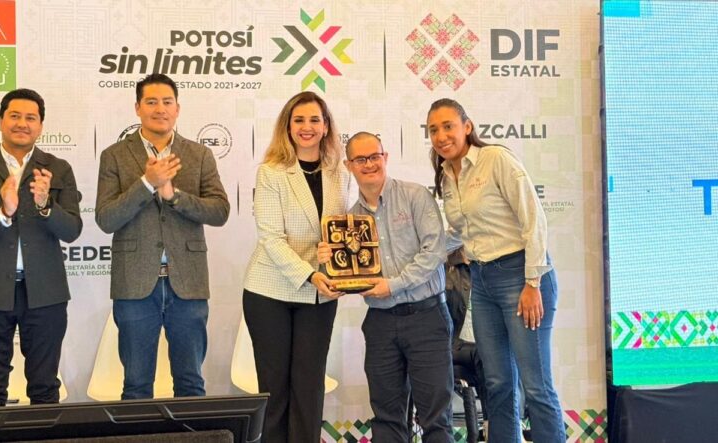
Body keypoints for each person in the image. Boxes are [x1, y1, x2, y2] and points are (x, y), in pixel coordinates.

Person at [427, 98, 565, 442]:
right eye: (433, 129)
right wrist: (422, 255)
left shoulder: (495, 159)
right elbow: (459, 231)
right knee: (498, 382)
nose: (441, 136)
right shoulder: (446, 175)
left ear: (467, 127)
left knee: (536, 385)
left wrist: (532, 282)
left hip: (522, 276)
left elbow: (533, 219)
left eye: (448, 126)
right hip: (483, 281)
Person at [95, 73, 230, 400]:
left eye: (167, 102)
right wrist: (146, 184)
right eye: (151, 102)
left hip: (188, 283)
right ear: (137, 108)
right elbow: (106, 218)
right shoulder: (114, 155)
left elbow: (220, 211)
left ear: (177, 108)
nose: (160, 109)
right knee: (136, 384)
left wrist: (173, 196)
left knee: (190, 383)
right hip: (135, 284)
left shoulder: (199, 154)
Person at [318, 132, 454, 442]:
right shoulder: (348, 221)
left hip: (427, 317)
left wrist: (392, 285)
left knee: (435, 416)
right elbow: (342, 279)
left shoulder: (415, 195)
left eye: (375, 156)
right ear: (349, 165)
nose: (369, 164)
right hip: (380, 322)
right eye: (360, 159)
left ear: (386, 157)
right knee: (386, 416)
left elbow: (434, 252)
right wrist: (327, 262)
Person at [0, 88, 82, 407]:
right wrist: (3, 212)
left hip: (46, 293)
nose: (22, 123)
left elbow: (72, 230)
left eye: (30, 118)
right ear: (1, 121)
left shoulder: (58, 168)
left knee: (44, 385)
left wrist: (45, 205)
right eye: (14, 116)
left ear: (40, 126)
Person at [242, 91, 350, 443]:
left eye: (315, 120)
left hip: (321, 294)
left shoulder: (340, 172)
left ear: (326, 126)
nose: (307, 127)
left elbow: (342, 230)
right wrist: (311, 273)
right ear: (287, 127)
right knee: (274, 390)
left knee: (309, 387)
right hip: (270, 291)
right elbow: (271, 238)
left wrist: (340, 264)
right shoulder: (271, 172)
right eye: (299, 120)